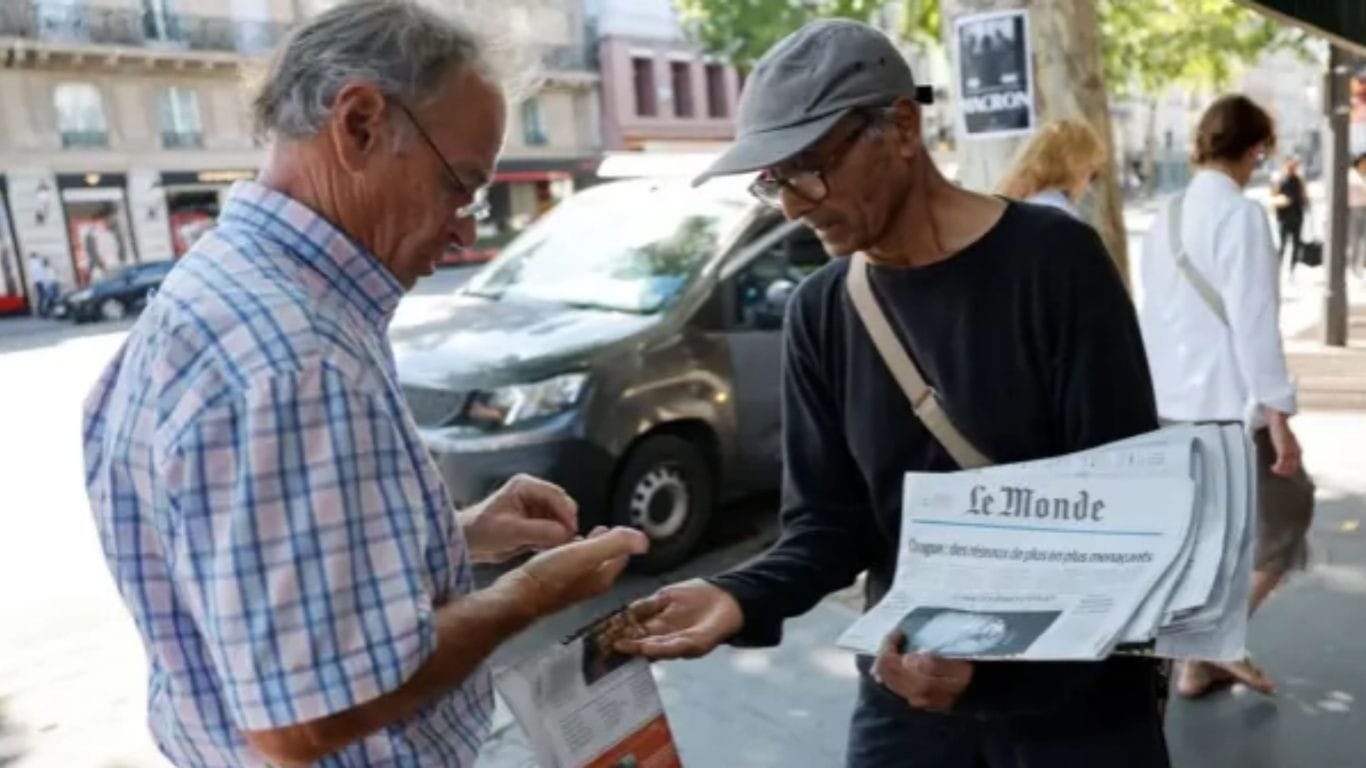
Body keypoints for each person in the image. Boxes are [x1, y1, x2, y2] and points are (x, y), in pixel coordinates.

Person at [81, 2, 648, 766]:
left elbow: (247, 578)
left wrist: (456, 534)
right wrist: (532, 592)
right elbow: (310, 719)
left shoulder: (225, 294)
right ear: (359, 125)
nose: (464, 231)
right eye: (461, 187)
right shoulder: (295, 356)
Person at [615, 19, 1170, 768]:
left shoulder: (1055, 263)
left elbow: (1128, 517)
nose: (791, 205)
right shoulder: (822, 310)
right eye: (772, 179)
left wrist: (999, 669)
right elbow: (828, 526)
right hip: (907, 691)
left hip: (1074, 703)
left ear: (901, 128)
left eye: (807, 167)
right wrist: (738, 596)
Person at [1137, 94, 1313, 699]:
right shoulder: (1240, 216)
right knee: (1289, 517)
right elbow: (1255, 325)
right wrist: (1280, 416)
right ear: (1256, 147)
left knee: (1210, 539)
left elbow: (1155, 314)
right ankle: (1207, 645)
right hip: (1228, 407)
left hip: (1170, 405)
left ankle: (1195, 662)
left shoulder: (1166, 213)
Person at [995, 117, 1107, 219]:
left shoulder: (1006, 205)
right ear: (1077, 168)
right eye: (1092, 174)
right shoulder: (1058, 213)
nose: (1088, 185)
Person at [1271, 156, 1308, 274]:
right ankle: (1278, 268)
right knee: (1282, 244)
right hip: (1284, 217)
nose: (1292, 168)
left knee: (1296, 244)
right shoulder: (1280, 181)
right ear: (1285, 167)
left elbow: (1304, 198)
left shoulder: (1299, 181)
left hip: (1297, 215)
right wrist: (1281, 200)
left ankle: (1292, 269)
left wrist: (1304, 198)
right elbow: (1273, 198)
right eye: (1290, 166)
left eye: (1294, 166)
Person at [1348, 152, 1366, 277]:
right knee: (1356, 239)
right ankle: (1354, 267)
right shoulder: (1352, 175)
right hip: (1355, 209)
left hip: (1363, 208)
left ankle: (1359, 266)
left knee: (1362, 240)